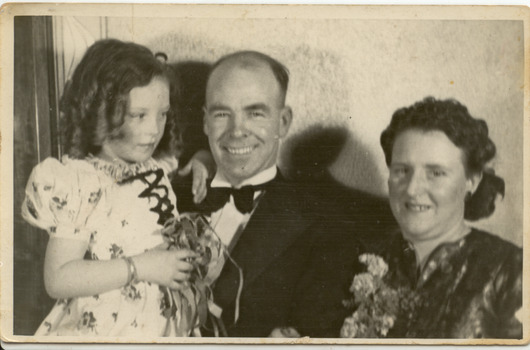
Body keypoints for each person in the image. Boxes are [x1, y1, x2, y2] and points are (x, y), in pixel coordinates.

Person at [173, 50, 394, 338]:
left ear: (284, 122)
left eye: (255, 113)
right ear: (205, 121)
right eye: (222, 113)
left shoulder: (326, 229)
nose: (237, 131)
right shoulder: (165, 194)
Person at [21, 39, 211, 337]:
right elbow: (57, 278)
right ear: (100, 112)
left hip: (164, 326)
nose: (154, 130)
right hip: (113, 330)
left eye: (162, 114)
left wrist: (203, 160)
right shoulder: (81, 183)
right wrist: (141, 267)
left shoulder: (154, 166)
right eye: (139, 116)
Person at [375, 97, 522, 338]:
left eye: (435, 173)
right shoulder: (363, 262)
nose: (412, 189)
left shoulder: (511, 270)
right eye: (402, 170)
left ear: (471, 181)